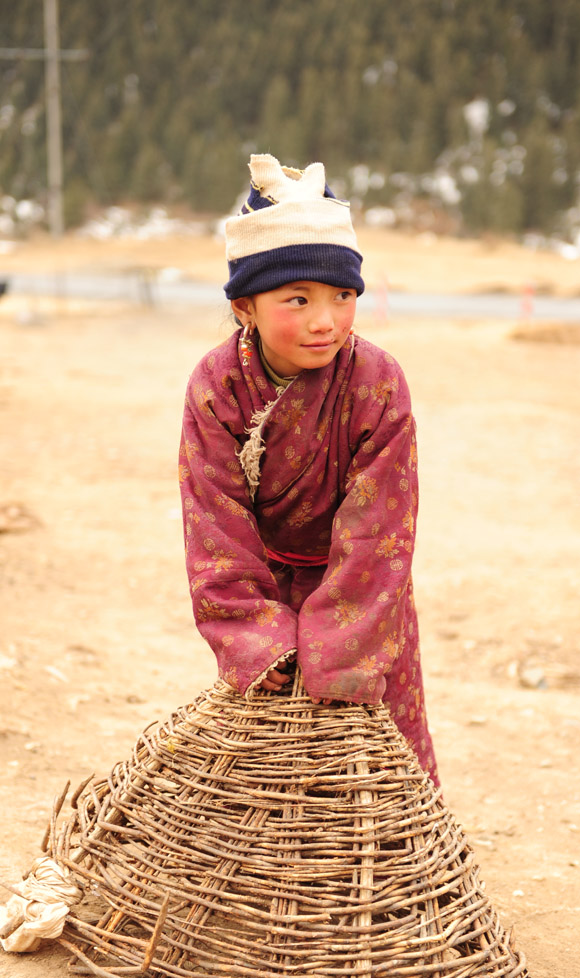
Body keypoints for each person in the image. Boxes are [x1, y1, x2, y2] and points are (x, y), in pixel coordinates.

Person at [179, 153, 439, 784]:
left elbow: (380, 530)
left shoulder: (376, 383)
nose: (326, 321)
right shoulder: (217, 388)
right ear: (246, 307)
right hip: (261, 594)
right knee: (264, 770)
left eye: (343, 296)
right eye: (298, 299)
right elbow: (215, 529)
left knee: (377, 766)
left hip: (362, 602)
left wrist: (334, 653)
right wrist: (264, 644)